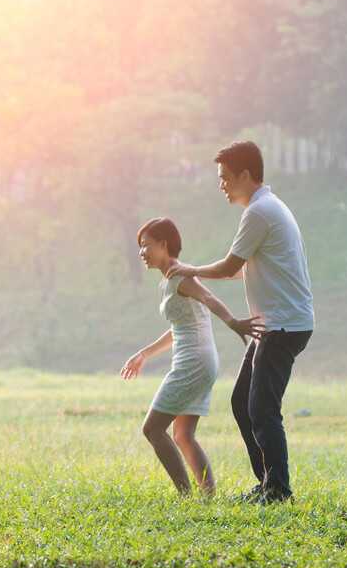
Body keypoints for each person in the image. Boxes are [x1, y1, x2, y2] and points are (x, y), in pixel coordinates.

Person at [167, 141, 315, 503]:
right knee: (241, 402)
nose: (221, 185)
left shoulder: (260, 212)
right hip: (273, 324)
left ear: (246, 175)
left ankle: (278, 491)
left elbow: (232, 265)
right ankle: (267, 483)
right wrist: (200, 274)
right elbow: (246, 269)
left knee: (262, 409)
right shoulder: (266, 207)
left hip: (282, 326)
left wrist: (190, 269)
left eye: (225, 178)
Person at [122, 217, 265, 496]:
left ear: (164, 245)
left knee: (152, 429)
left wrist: (233, 321)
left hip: (194, 361)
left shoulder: (180, 277)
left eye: (146, 246)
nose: (142, 253)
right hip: (196, 359)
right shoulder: (167, 282)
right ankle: (207, 497)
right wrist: (144, 354)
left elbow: (209, 299)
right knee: (182, 435)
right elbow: (179, 328)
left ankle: (185, 496)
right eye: (140, 247)